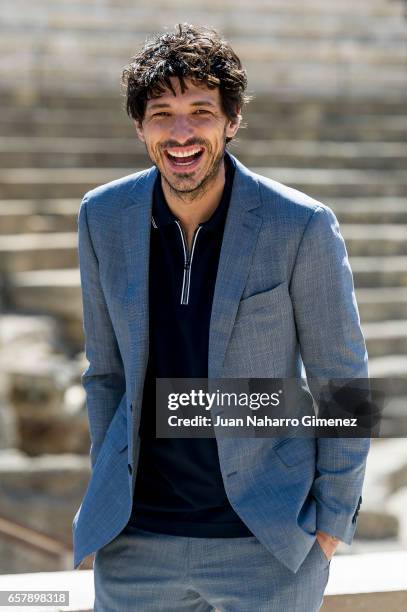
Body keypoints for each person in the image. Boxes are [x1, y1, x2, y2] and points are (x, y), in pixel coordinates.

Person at [72, 22, 370, 611]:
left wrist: (330, 525)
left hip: (267, 547)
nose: (181, 133)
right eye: (161, 113)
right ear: (139, 127)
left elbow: (345, 383)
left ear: (231, 121)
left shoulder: (300, 226)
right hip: (137, 549)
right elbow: (105, 375)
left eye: (201, 111)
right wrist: (111, 489)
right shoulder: (101, 217)